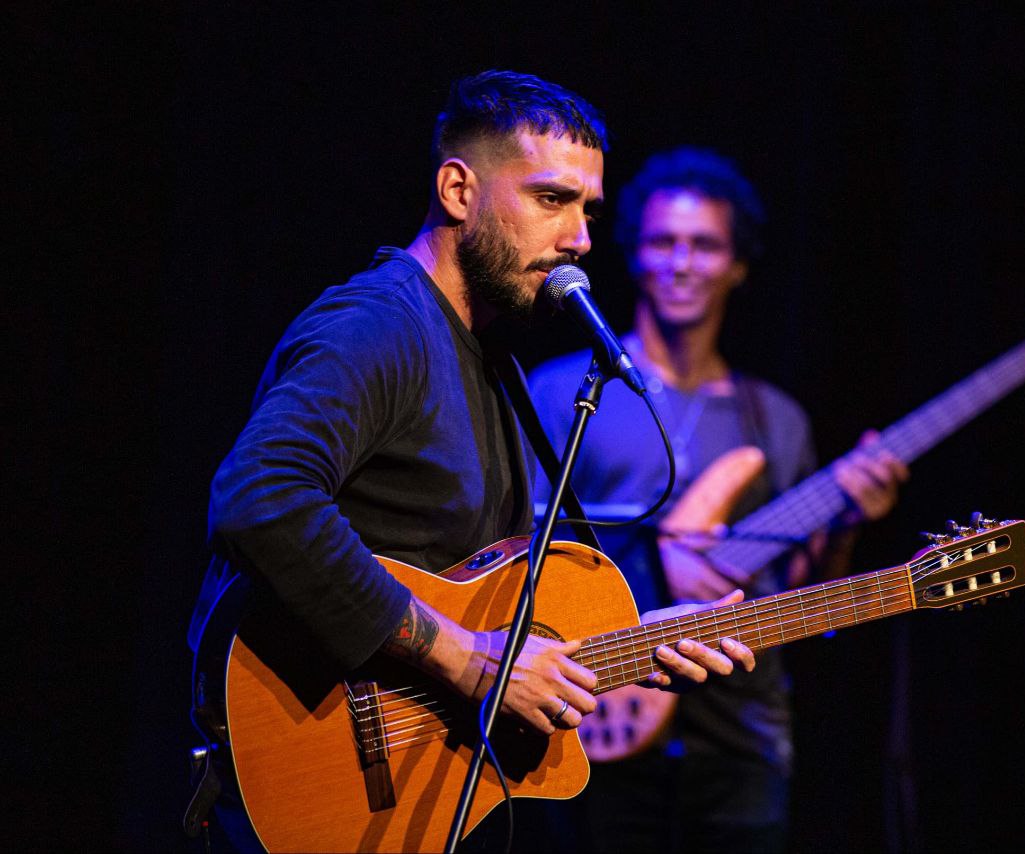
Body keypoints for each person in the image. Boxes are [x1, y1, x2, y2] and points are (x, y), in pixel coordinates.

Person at [188, 73, 756, 851]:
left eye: (588, 211)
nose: (581, 239)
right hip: (310, 770)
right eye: (551, 199)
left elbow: (475, 589)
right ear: (458, 190)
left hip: (414, 794)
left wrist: (630, 640)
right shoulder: (377, 326)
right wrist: (472, 665)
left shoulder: (492, 360)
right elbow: (261, 499)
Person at [526, 147, 910, 852]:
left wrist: (849, 523)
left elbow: (797, 593)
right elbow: (512, 554)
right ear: (634, 255)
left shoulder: (776, 420)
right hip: (593, 722)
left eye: (704, 246)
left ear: (737, 266)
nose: (682, 263)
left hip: (741, 740)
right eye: (663, 242)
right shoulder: (559, 392)